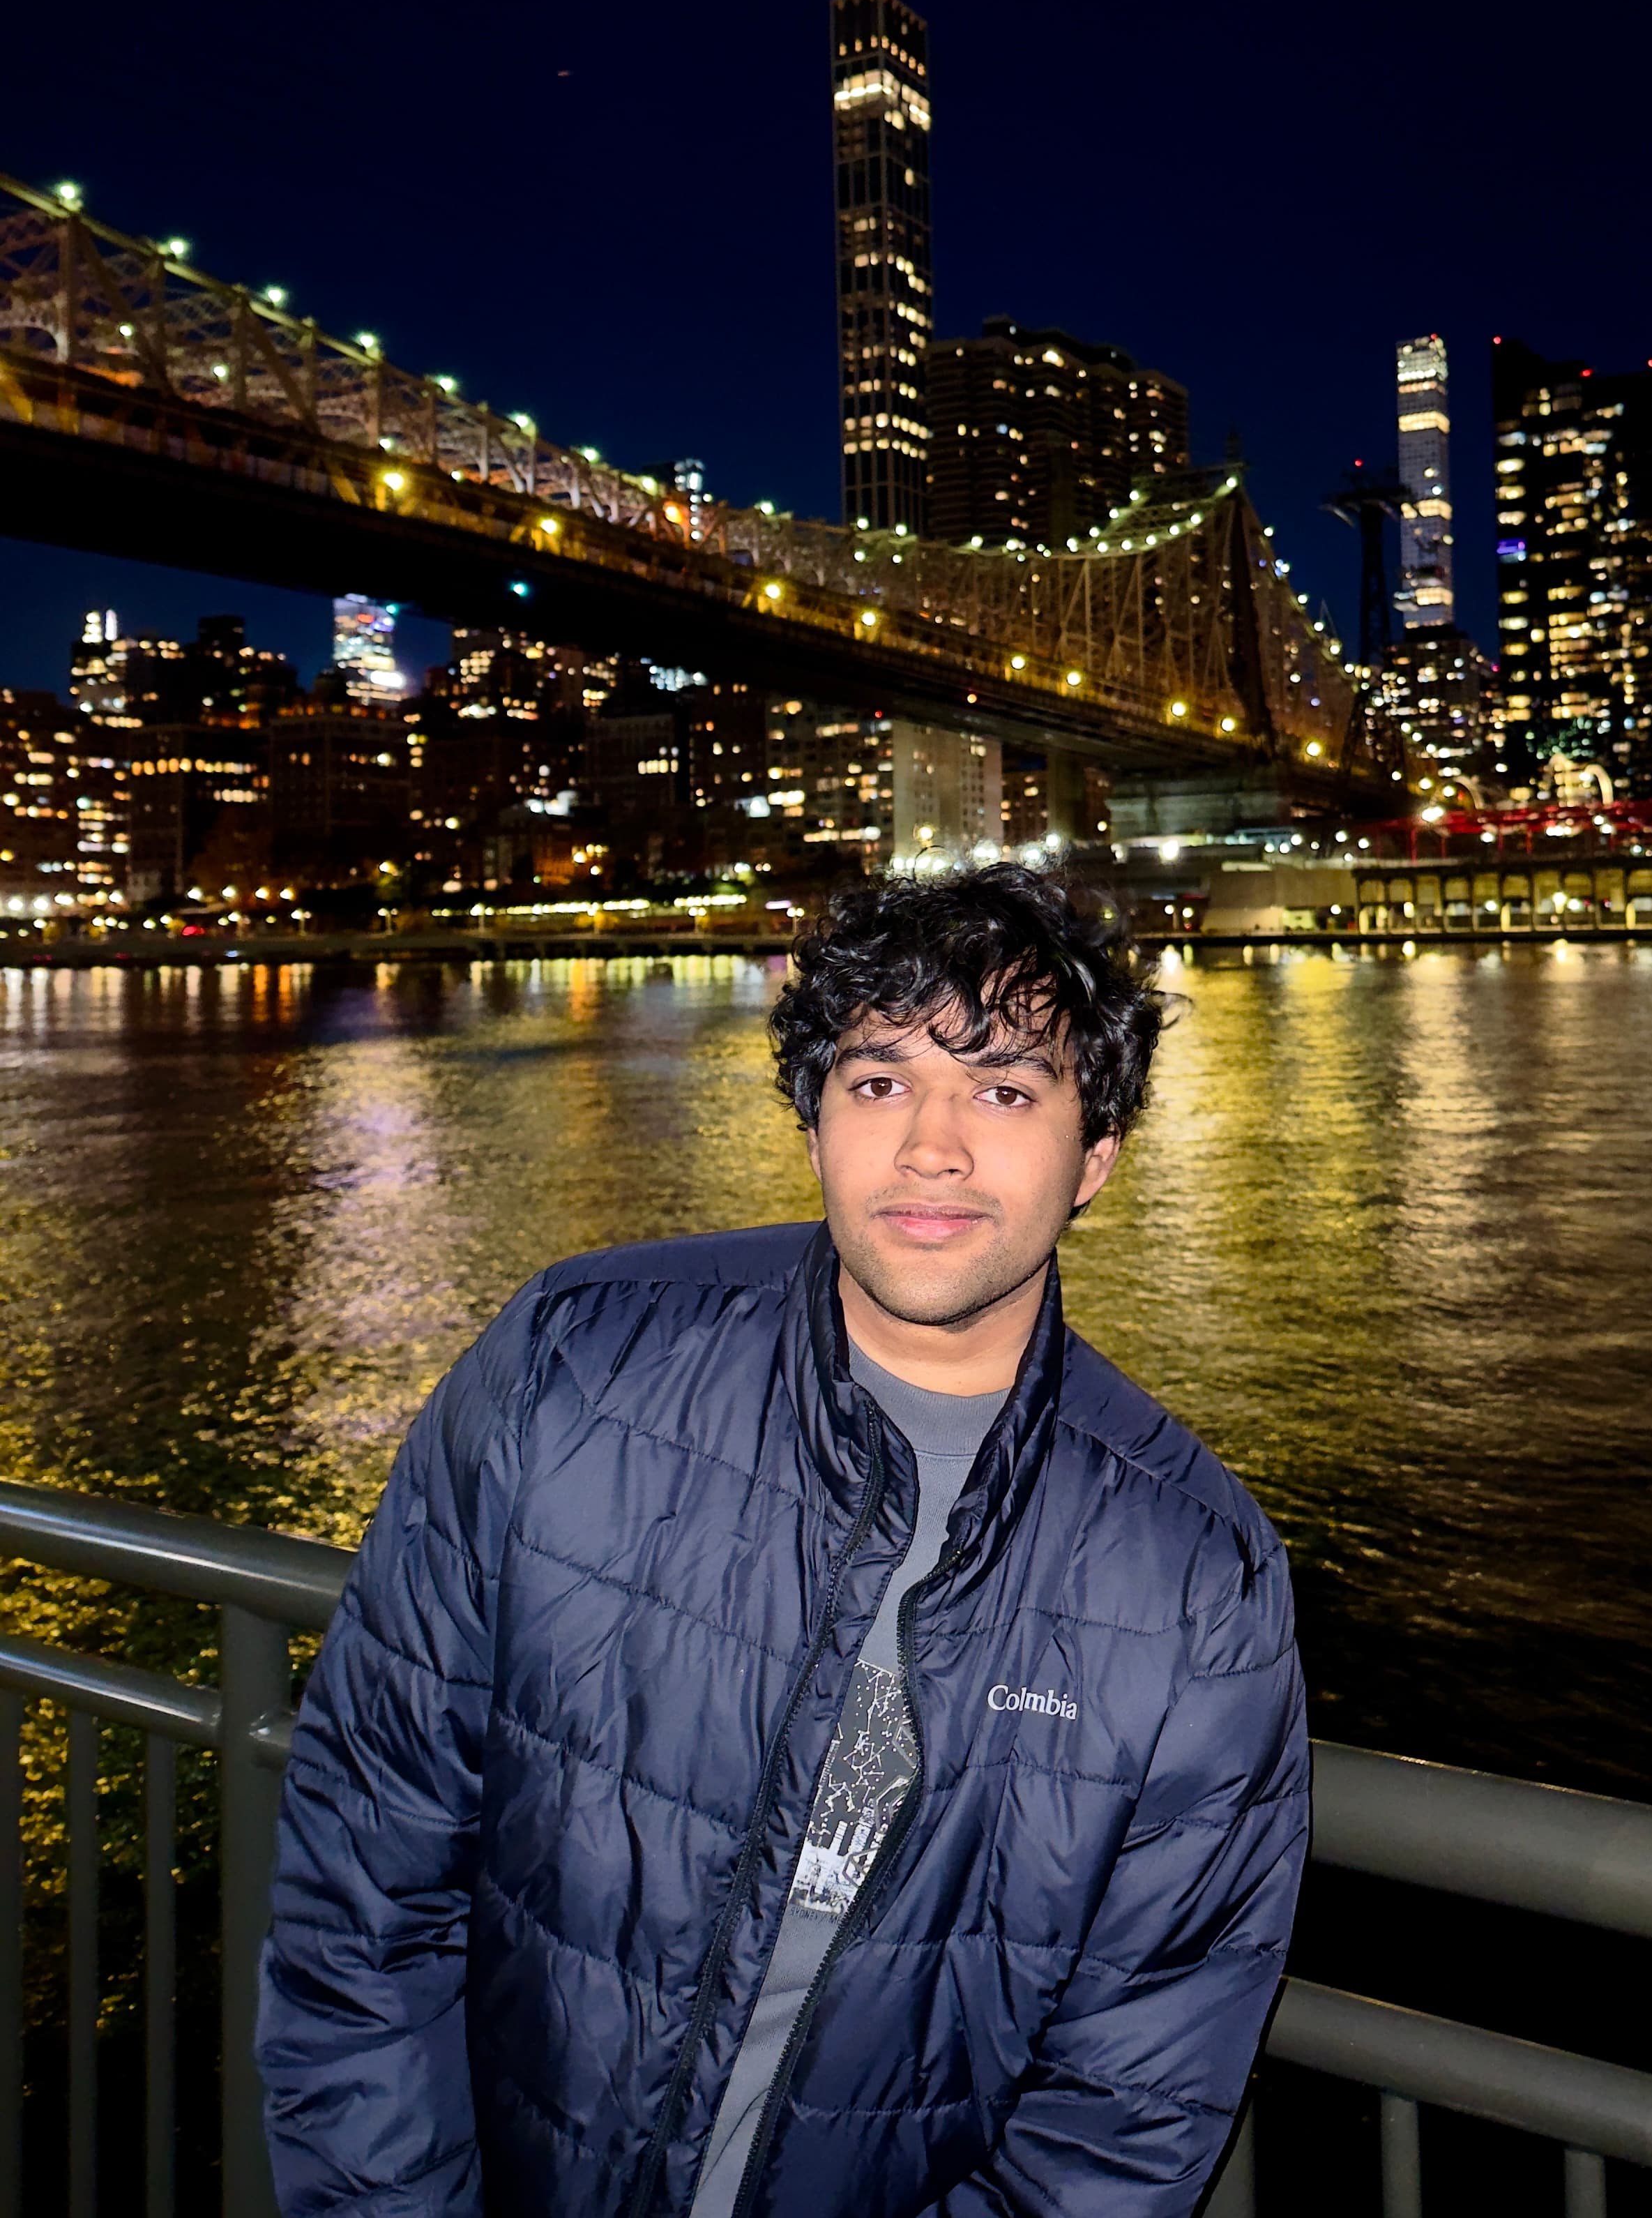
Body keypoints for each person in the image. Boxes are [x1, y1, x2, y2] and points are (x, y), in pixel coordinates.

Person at [258, 864, 1308, 2217]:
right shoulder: (569, 1368)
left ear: (1094, 1158)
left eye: (1004, 1090)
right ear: (814, 1122)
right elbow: (367, 1871)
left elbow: (1120, 2124)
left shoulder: (1194, 1578)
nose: (933, 1145)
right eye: (878, 1082)